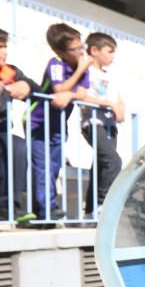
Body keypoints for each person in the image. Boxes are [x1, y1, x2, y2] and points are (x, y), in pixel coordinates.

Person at [28, 23, 90, 220]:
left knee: (55, 166)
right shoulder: (55, 63)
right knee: (43, 166)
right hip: (38, 122)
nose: (81, 52)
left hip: (58, 125)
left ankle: (45, 209)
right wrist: (79, 72)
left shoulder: (80, 65)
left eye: (82, 47)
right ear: (59, 51)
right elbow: (58, 89)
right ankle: (46, 209)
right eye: (75, 49)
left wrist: (69, 94)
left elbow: (81, 93)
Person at [79, 32, 124, 216]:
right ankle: (102, 205)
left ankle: (90, 210)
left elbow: (119, 98)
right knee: (113, 161)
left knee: (99, 165)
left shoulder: (111, 75)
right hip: (93, 123)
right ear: (94, 50)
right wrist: (110, 104)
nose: (113, 56)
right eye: (109, 51)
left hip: (110, 126)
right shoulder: (86, 71)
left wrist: (119, 107)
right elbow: (83, 96)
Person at [0, 27, 42, 224]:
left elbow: (36, 88)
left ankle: (10, 206)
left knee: (17, 146)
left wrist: (25, 85)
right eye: (0, 47)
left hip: (2, 130)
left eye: (4, 46)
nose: (4, 52)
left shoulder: (9, 71)